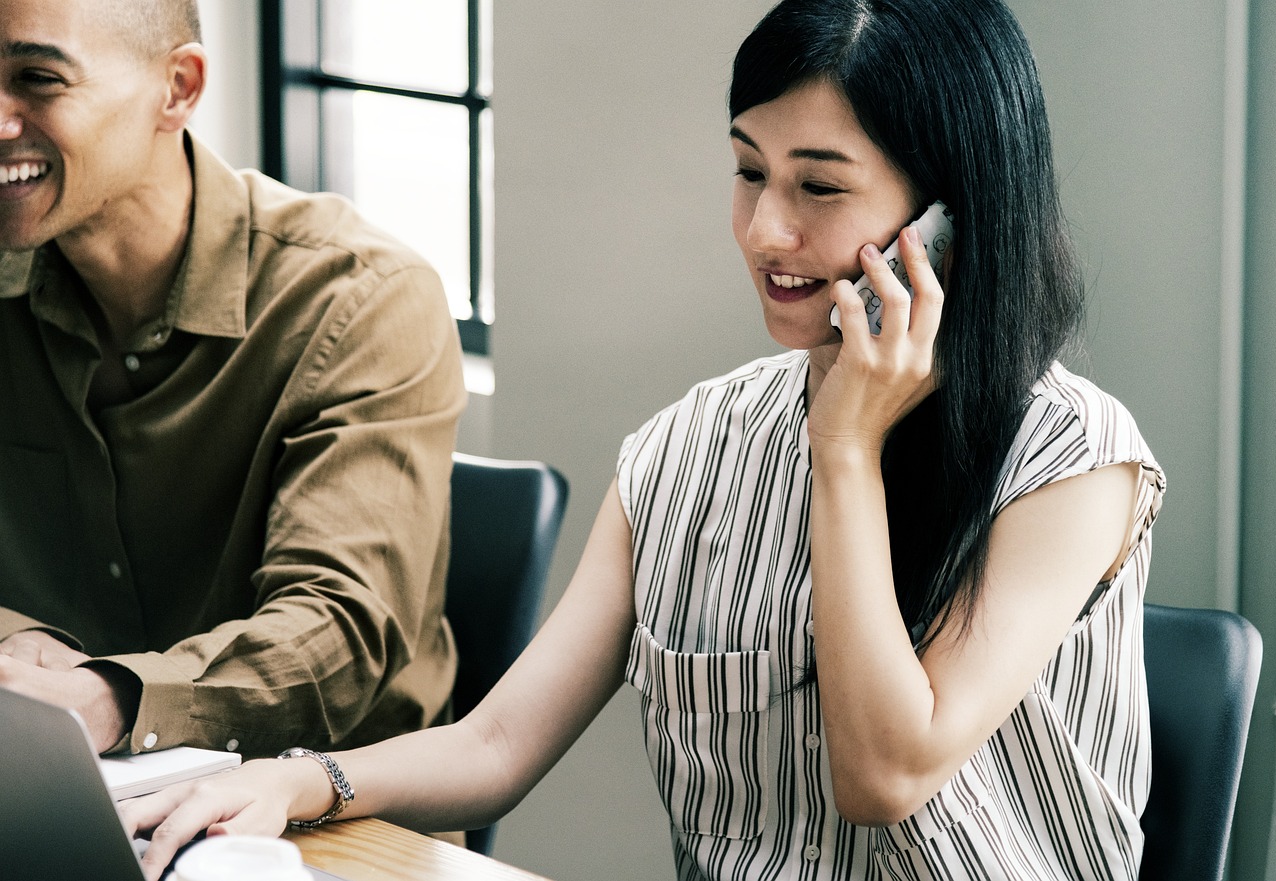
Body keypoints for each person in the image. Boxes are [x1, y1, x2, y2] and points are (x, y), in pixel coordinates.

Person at [124, 0, 1165, 878]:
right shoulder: (684, 451)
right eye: (748, 171)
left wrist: (843, 450)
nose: (764, 230)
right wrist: (302, 777)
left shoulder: (1070, 460)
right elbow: (498, 742)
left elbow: (882, 774)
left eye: (819, 186)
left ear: (945, 223)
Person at [0, 0, 465, 760]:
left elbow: (335, 632)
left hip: (324, 819)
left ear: (178, 87)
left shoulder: (360, 300)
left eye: (39, 79)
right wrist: (25, 650)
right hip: (48, 784)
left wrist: (112, 696)